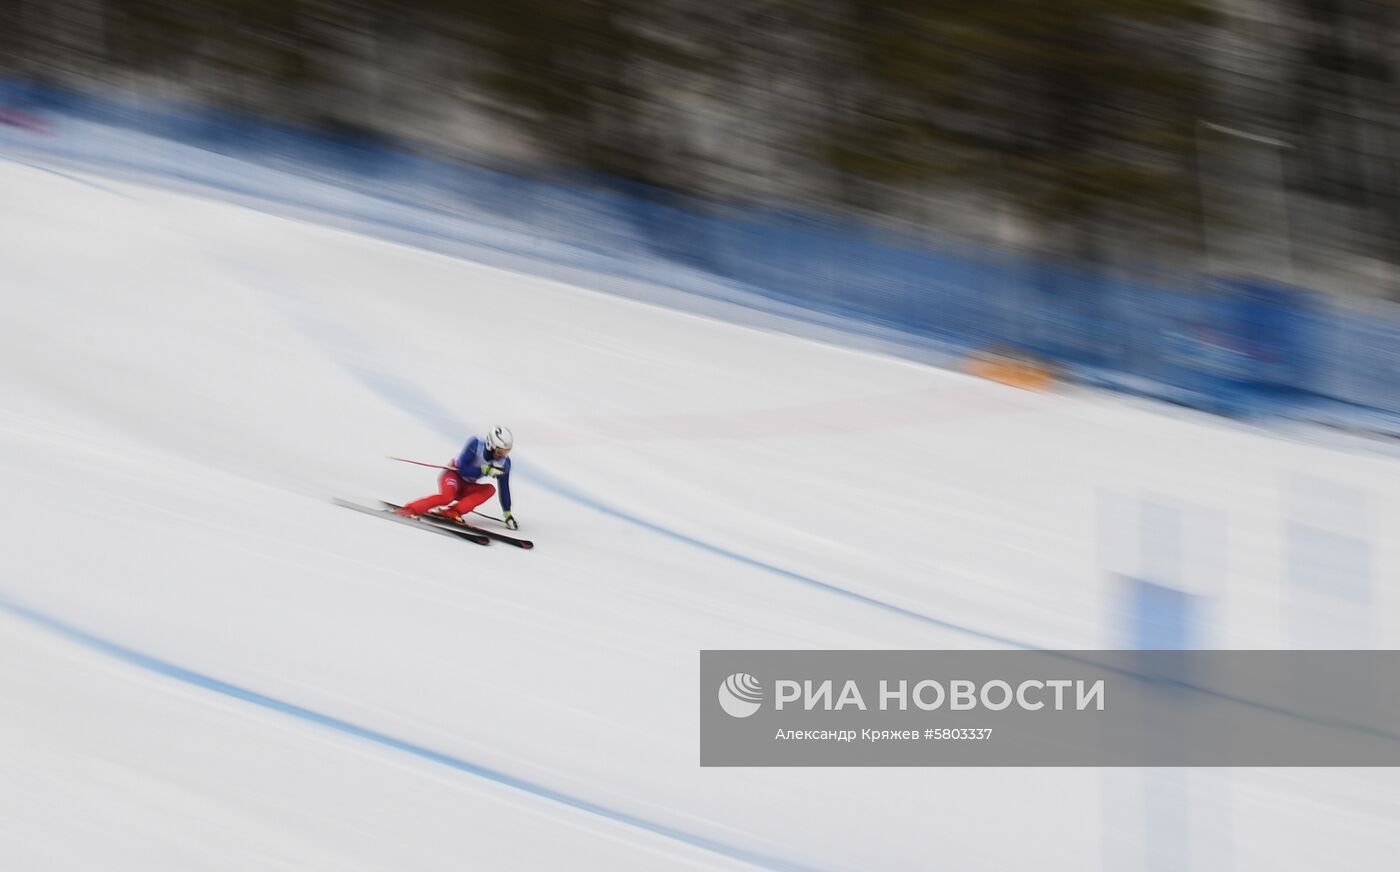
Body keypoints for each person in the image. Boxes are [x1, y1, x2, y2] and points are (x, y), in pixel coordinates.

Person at [396, 426, 518, 529]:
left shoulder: (504, 462)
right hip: (453, 476)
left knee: (490, 489)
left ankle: (453, 512)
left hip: (467, 486)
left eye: (506, 452)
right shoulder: (475, 444)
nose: (502, 456)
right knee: (447, 497)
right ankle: (410, 509)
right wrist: (483, 469)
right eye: (500, 452)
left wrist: (507, 514)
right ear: (490, 445)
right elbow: (462, 469)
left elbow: (504, 486)